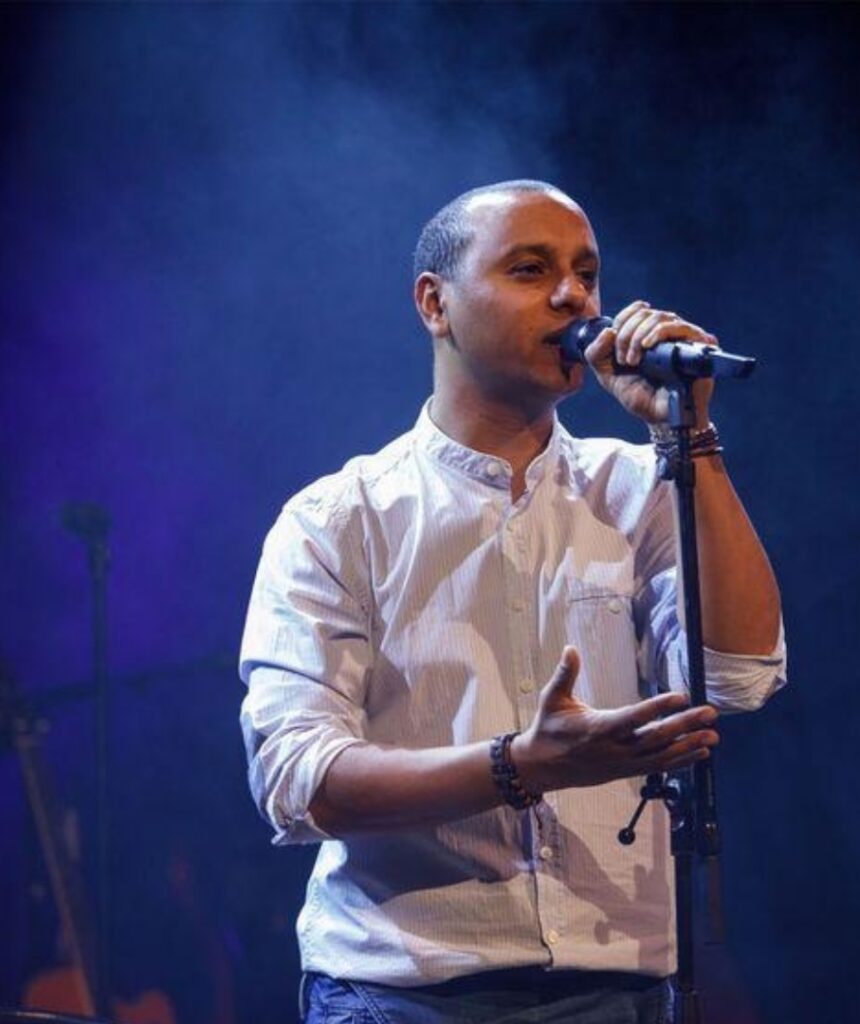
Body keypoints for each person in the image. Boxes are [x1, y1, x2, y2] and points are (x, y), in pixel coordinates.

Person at [239, 179, 785, 1024]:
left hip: (620, 988)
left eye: (586, 274)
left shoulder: (639, 485)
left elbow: (739, 673)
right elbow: (300, 781)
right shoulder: (338, 519)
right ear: (436, 304)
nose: (574, 298)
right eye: (531, 270)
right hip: (407, 993)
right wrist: (520, 765)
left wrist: (689, 437)